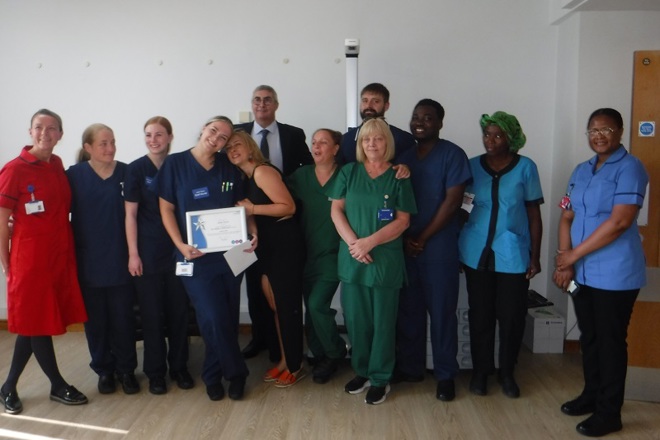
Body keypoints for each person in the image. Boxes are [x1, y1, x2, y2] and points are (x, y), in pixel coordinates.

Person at [554, 108, 648, 438]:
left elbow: (620, 221)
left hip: (615, 274)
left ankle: (610, 413)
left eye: (606, 128)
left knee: (609, 342)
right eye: (593, 129)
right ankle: (591, 395)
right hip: (583, 273)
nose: (598, 135)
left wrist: (571, 257)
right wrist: (563, 261)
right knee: (589, 338)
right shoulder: (581, 170)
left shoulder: (630, 168)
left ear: (620, 132)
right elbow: (566, 217)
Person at [158, 116, 254, 401]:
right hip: (194, 257)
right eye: (213, 131)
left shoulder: (228, 167)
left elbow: (243, 208)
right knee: (211, 316)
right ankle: (236, 372)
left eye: (223, 137)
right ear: (202, 129)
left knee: (225, 317)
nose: (217, 138)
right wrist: (180, 244)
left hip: (232, 255)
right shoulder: (175, 164)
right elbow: (165, 209)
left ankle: (212, 374)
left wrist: (252, 232)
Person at [0, 109, 88, 414]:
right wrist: (6, 263)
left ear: (60, 135)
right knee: (36, 324)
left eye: (52, 129)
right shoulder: (14, 170)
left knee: (35, 323)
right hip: (29, 260)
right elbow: (2, 222)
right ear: (30, 131)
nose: (45, 133)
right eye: (39, 127)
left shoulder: (57, 165)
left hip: (57, 256)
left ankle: (9, 387)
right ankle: (56, 384)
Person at [327, 118, 417, 405]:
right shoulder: (348, 173)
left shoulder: (398, 176)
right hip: (353, 259)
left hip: (383, 261)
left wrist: (370, 242)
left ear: (387, 142)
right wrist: (355, 244)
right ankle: (362, 371)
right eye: (366, 139)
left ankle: (381, 377)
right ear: (360, 144)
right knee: (356, 321)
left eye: (378, 139)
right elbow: (336, 211)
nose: (372, 144)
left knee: (382, 323)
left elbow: (403, 221)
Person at [458, 111, 543, 399]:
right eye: (487, 134)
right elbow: (465, 207)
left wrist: (535, 255)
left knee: (511, 317)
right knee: (480, 315)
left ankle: (507, 372)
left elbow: (534, 213)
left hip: (513, 254)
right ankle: (482, 372)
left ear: (511, 138)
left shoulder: (526, 167)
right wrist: (457, 245)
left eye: (497, 135)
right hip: (475, 252)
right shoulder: (472, 166)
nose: (490, 140)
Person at [395, 99, 472, 402]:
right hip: (405, 246)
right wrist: (404, 239)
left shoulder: (452, 155)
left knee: (442, 313)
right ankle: (412, 368)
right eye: (416, 117)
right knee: (409, 311)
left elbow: (453, 203)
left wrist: (422, 237)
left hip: (438, 248)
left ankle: (445, 375)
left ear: (440, 123)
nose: (420, 122)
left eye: (428, 118)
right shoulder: (403, 158)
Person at [235, 85, 312, 361]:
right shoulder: (237, 133)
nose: (262, 104)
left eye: (268, 100)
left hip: (282, 224)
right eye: (256, 99)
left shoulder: (293, 135)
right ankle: (262, 340)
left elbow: (308, 170)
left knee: (282, 295)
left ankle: (286, 356)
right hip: (252, 228)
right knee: (257, 288)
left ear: (276, 105)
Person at [226, 131, 306, 387]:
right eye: (228, 148)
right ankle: (285, 360)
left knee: (287, 307)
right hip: (266, 248)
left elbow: (288, 207)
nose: (232, 150)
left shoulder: (262, 171)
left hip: (285, 247)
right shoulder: (245, 177)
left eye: (237, 145)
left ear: (250, 148)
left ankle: (295, 365)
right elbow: (253, 214)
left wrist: (252, 209)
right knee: (275, 306)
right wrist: (253, 228)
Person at [67, 123, 140, 396]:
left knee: (123, 320)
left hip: (122, 261)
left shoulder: (127, 172)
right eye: (103, 144)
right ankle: (105, 371)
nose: (110, 148)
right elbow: (56, 211)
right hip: (89, 262)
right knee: (96, 323)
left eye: (113, 142)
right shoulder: (73, 176)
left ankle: (126, 370)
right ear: (88, 148)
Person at [124, 116, 192, 395]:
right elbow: (130, 214)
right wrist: (133, 254)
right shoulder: (136, 169)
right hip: (148, 253)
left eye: (159, 135)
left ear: (170, 137)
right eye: (149, 135)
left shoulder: (180, 166)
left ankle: (179, 367)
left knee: (178, 312)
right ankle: (155, 373)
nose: (153, 140)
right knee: (151, 315)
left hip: (179, 251)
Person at [287, 129, 347, 384]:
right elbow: (275, 193)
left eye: (323, 142)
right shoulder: (301, 176)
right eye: (314, 142)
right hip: (305, 255)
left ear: (335, 148)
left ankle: (335, 352)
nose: (316, 146)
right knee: (310, 309)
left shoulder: (348, 174)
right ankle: (319, 351)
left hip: (335, 254)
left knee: (316, 304)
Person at [339, 82, 416, 164]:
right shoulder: (345, 141)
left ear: (386, 106)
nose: (369, 105)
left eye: (375, 101)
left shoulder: (405, 140)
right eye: (365, 101)